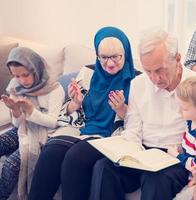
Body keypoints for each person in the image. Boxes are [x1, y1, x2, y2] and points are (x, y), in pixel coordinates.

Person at [88, 29, 196, 200]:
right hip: (143, 153)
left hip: (176, 157)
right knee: (103, 168)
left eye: (160, 70)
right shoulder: (138, 84)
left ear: (178, 59)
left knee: (156, 179)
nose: (155, 79)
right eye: (148, 71)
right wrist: (127, 153)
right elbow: (133, 127)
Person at [28, 26, 136, 200]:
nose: (109, 63)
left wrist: (122, 110)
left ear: (126, 54)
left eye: (116, 57)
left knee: (75, 158)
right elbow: (68, 112)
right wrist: (75, 103)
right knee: (51, 153)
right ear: (97, 56)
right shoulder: (87, 73)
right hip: (80, 129)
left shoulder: (136, 81)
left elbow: (139, 123)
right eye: (104, 57)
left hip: (111, 137)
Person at [0, 47, 65, 199]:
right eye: (17, 76)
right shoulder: (15, 85)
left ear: (36, 68)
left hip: (43, 135)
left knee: (11, 165)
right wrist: (15, 111)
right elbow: (17, 125)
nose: (22, 81)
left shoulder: (55, 89)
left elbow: (53, 122)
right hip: (22, 129)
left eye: (26, 75)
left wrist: (31, 111)